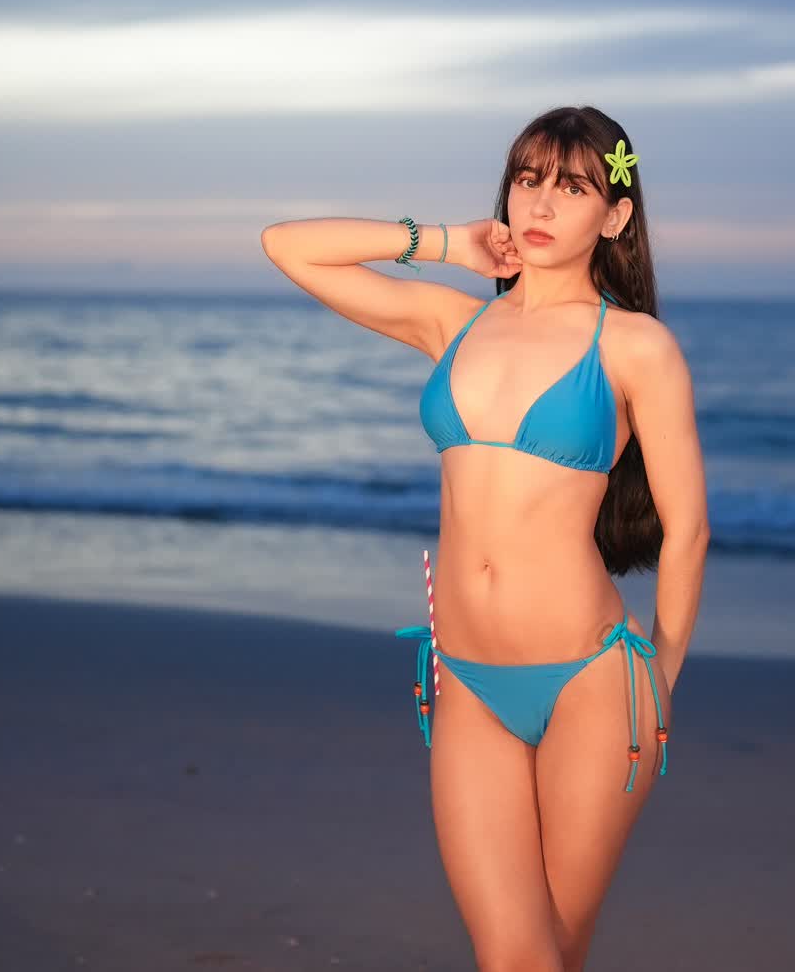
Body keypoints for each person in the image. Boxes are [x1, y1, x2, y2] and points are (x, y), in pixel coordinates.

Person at [261, 105, 710, 971]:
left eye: (572, 187)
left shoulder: (635, 346)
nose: (540, 203)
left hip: (591, 680)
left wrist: (662, 676)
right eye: (528, 179)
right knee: (516, 956)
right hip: (465, 680)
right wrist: (445, 243)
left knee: (547, 955)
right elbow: (287, 245)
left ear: (614, 216)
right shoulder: (452, 322)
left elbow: (687, 526)